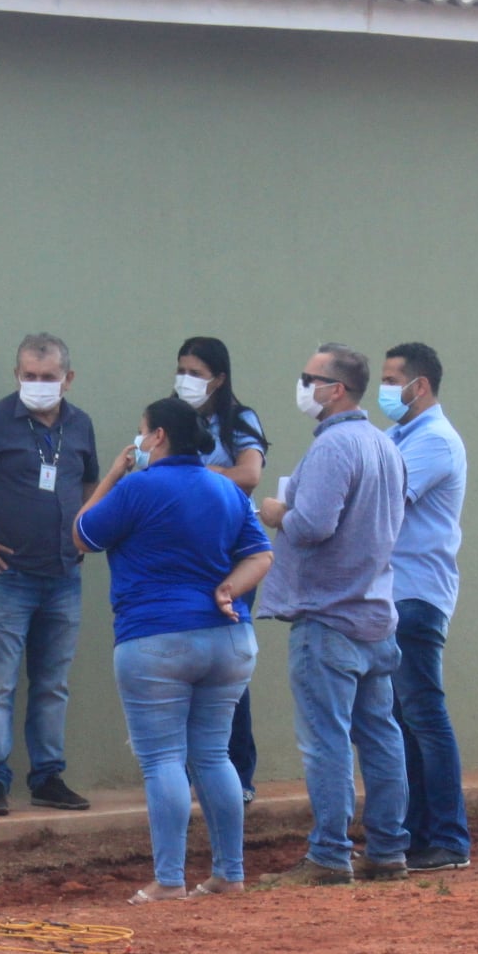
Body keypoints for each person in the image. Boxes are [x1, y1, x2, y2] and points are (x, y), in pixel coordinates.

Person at [75, 397, 274, 903]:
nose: (137, 441)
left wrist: (114, 474)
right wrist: (227, 590)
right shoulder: (225, 488)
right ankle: (230, 873)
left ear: (158, 436)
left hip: (154, 639)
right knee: (213, 755)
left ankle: (169, 880)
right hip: (228, 639)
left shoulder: (137, 487)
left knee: (163, 759)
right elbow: (262, 555)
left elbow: (82, 534)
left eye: (141, 433)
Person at [256, 344, 410, 886]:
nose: (302, 386)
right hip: (373, 614)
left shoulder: (333, 447)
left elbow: (313, 525)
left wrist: (276, 513)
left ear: (335, 389)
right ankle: (388, 850)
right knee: (380, 737)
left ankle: (328, 855)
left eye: (309, 377)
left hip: (328, 618)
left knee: (327, 740)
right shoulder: (384, 446)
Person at [0, 334, 100, 815]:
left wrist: (85, 530)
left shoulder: (81, 426)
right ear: (16, 375)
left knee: (53, 683)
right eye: (30, 376)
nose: (38, 385)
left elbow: (90, 481)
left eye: (49, 377)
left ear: (68, 379)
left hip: (64, 575)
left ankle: (48, 777)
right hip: (8, 575)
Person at [378, 342, 471, 872]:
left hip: (416, 594)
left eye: (393, 380)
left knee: (423, 716)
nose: (386, 390)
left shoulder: (434, 440)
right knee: (404, 719)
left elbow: (383, 499)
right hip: (396, 594)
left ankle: (449, 839)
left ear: (421, 385)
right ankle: (417, 834)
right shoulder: (399, 436)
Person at [175, 337, 270, 803]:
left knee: (228, 670)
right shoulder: (174, 418)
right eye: (181, 370)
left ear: (219, 378)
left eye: (195, 372)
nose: (186, 381)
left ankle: (239, 775)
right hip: (180, 558)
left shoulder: (239, 420)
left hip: (229, 558)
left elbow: (249, 475)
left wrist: (194, 476)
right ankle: (190, 775)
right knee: (182, 668)